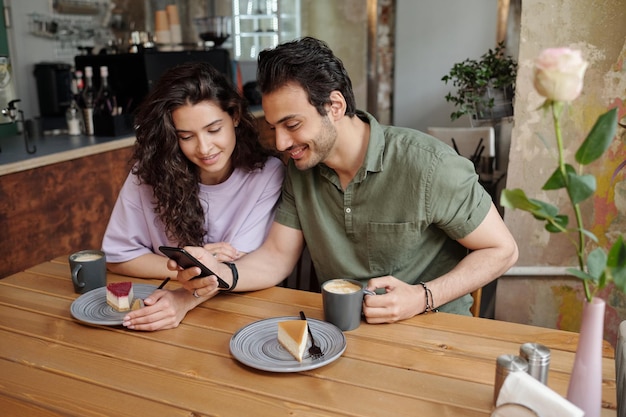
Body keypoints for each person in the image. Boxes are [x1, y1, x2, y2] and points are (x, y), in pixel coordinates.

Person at [173, 37, 519, 322]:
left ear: (334, 106)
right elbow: (276, 257)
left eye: (292, 125)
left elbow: (502, 250)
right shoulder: (301, 169)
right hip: (344, 331)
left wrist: (422, 297)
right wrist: (222, 274)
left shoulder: (429, 165)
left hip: (434, 328)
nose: (280, 143)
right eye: (274, 127)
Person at [102, 61, 285, 330]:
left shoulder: (266, 174)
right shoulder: (149, 173)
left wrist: (189, 283)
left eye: (213, 130)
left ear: (234, 116)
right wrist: (185, 263)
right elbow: (117, 257)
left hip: (242, 315)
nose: (204, 148)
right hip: (157, 306)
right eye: (186, 136)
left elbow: (241, 267)